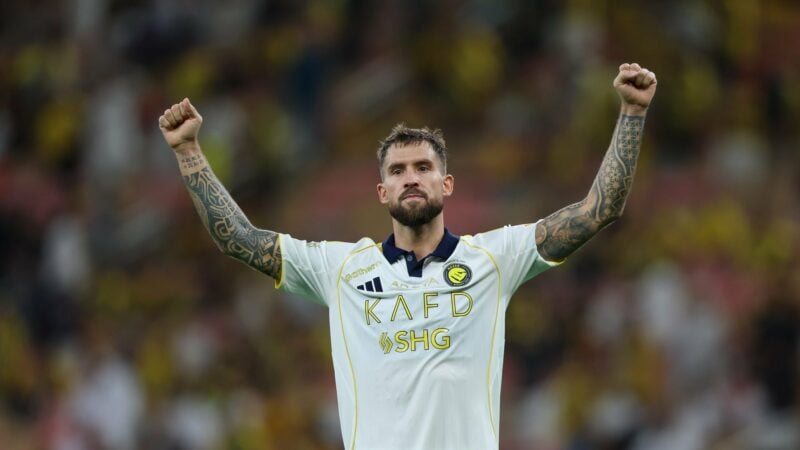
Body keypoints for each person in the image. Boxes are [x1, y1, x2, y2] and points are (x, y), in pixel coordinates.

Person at [158, 62, 657, 450]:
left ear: (447, 184)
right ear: (382, 192)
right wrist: (188, 152)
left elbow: (599, 210)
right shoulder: (342, 270)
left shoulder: (493, 259)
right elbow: (238, 239)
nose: (411, 178)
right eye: (397, 171)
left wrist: (632, 114)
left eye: (423, 167)